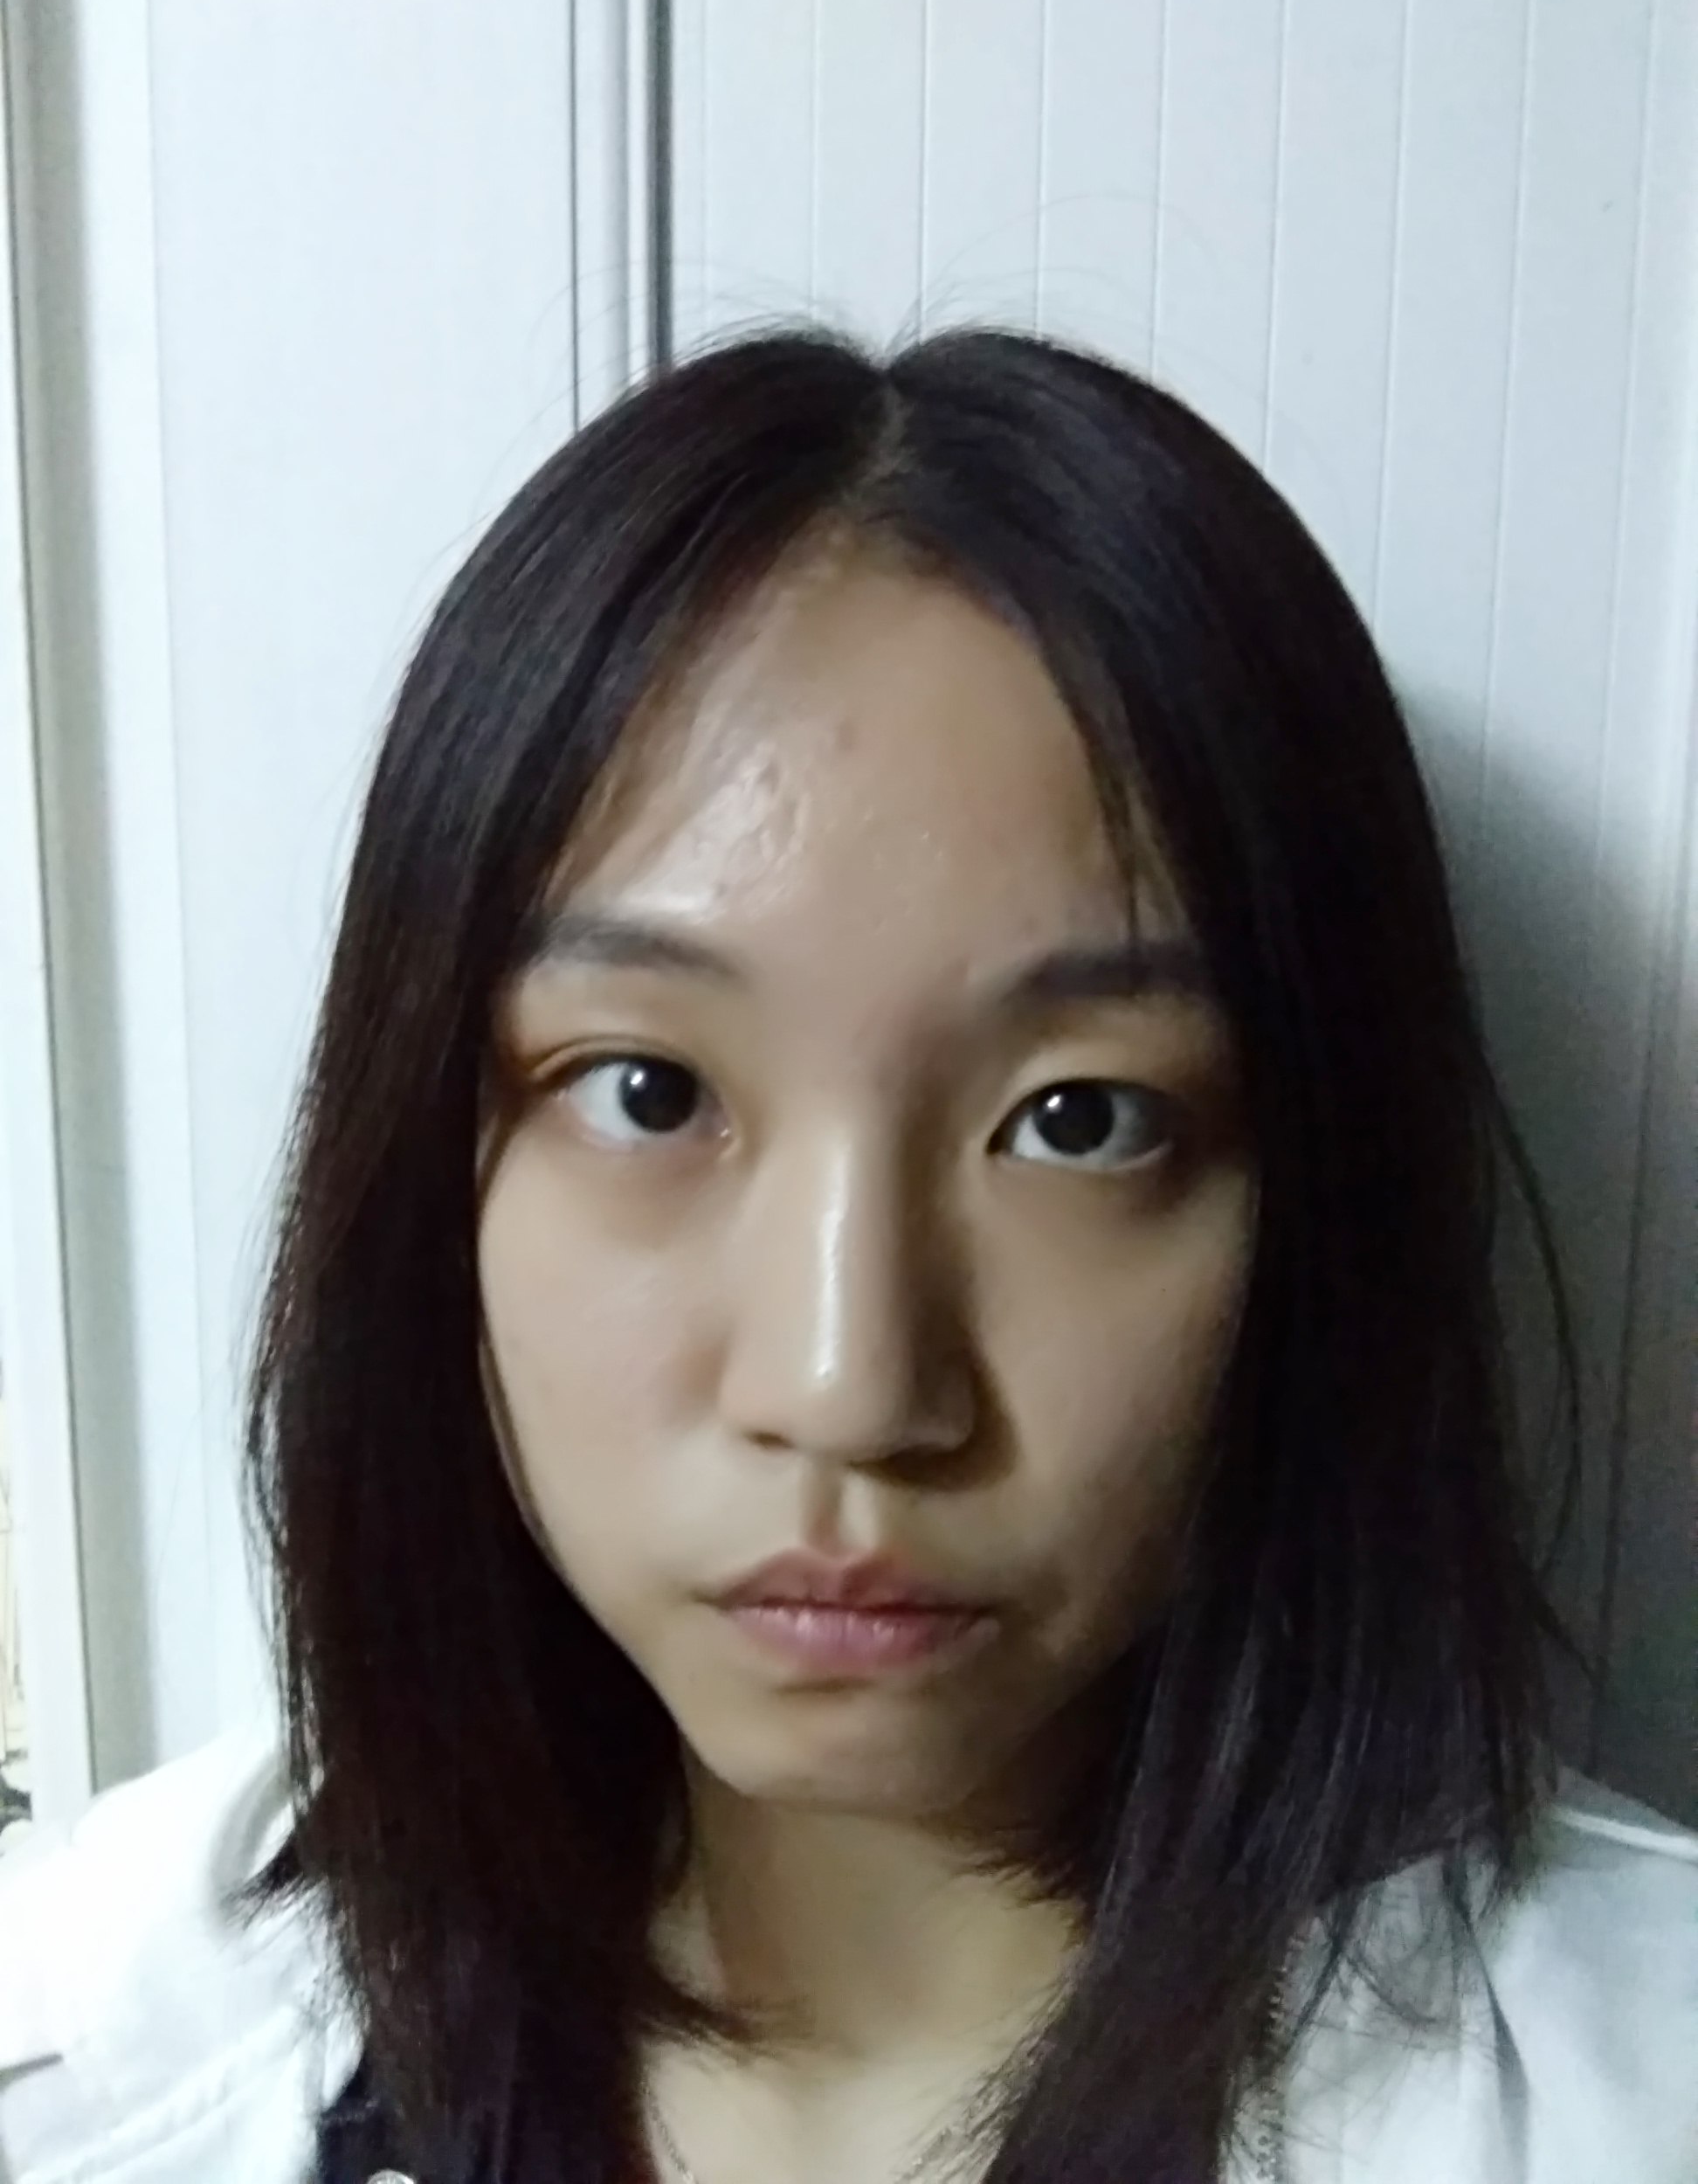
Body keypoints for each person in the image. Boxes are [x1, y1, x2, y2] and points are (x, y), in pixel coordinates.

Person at [0, 330, 1692, 2184]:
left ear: (1323, 1215)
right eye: (647, 1092)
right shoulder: (94, 2061)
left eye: (1081, 1120)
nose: (850, 1383)